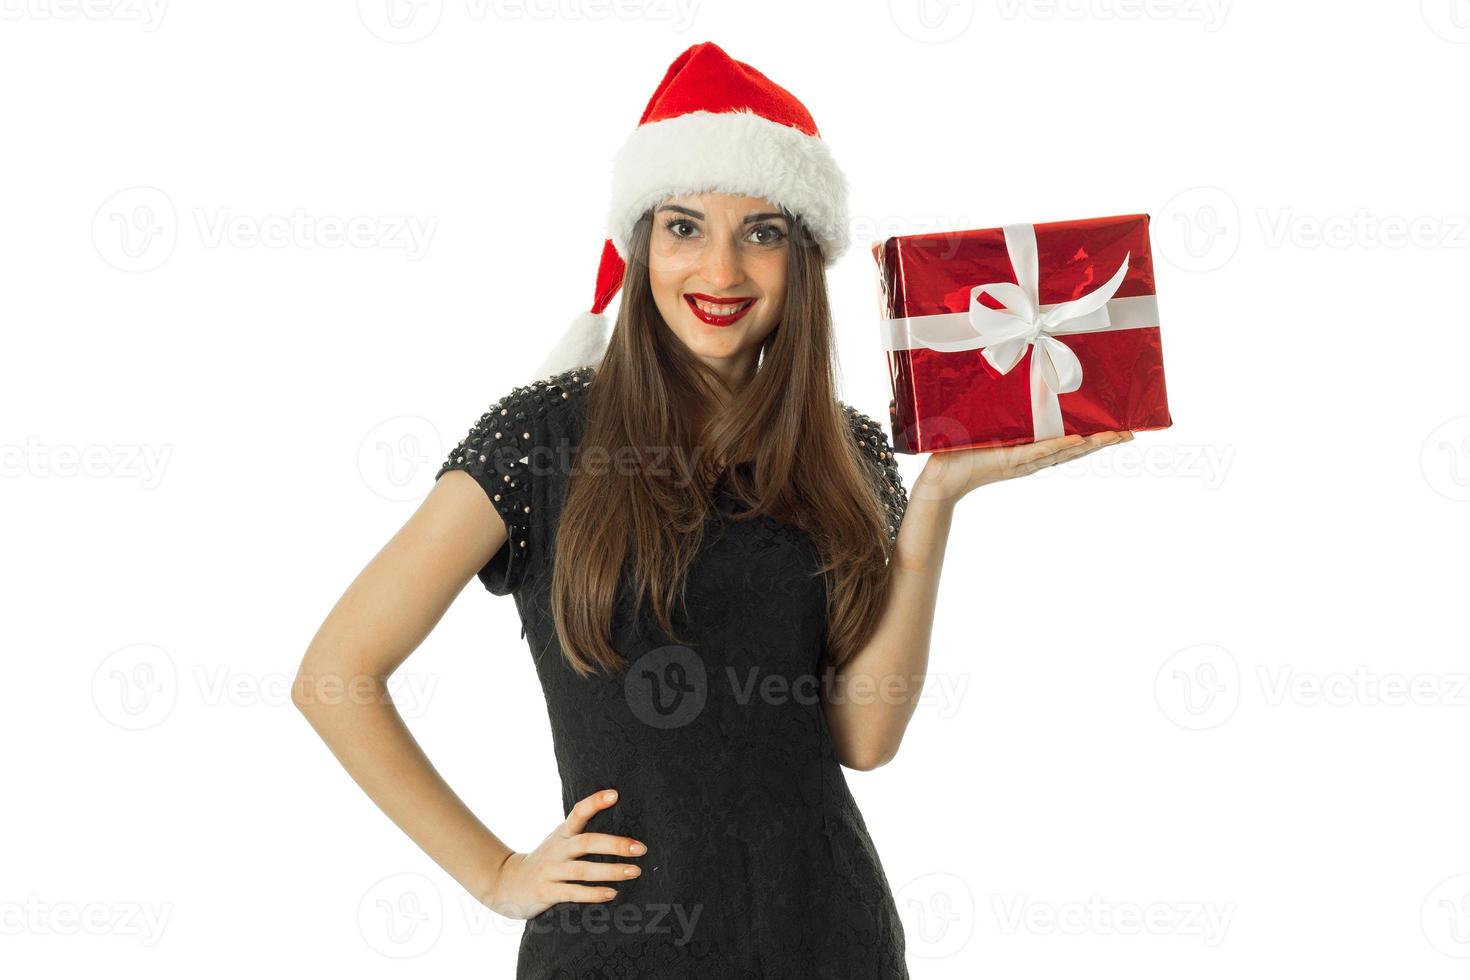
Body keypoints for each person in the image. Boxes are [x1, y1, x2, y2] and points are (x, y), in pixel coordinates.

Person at [292, 41, 1129, 978]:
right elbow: (336, 674)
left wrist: (936, 499)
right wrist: (495, 873)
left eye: (762, 232)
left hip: (831, 942)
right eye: (685, 228)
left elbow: (863, 738)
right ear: (641, 243)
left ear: (803, 257)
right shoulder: (543, 438)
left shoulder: (848, 455)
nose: (721, 270)